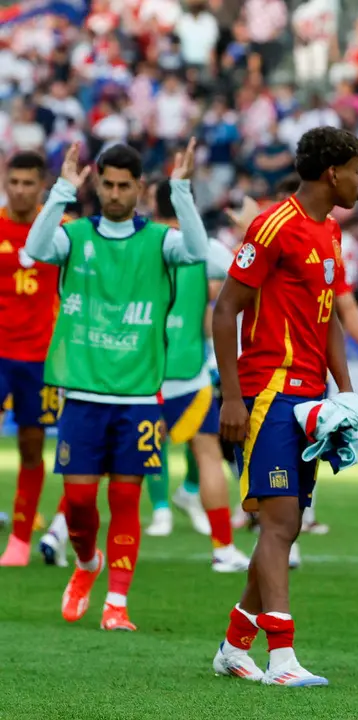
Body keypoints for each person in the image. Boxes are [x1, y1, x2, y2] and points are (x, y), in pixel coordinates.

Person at [210, 126, 358, 686]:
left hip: (308, 399)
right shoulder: (274, 224)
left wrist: (344, 393)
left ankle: (234, 645)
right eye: (356, 170)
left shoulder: (329, 232)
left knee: (289, 523)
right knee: (278, 523)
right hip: (267, 393)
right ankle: (282, 658)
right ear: (333, 172)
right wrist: (232, 396)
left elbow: (326, 322)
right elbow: (226, 308)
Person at [26, 139, 206, 631]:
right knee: (81, 502)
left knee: (125, 499)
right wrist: (62, 188)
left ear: (140, 188)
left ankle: (117, 604)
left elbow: (196, 250)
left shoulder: (159, 241)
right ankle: (87, 564)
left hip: (139, 398)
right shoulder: (76, 235)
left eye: (125, 185)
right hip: (82, 395)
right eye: (107, 183)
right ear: (97, 183)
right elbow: (35, 249)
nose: (115, 193)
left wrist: (183, 188)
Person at [148, 179, 252, 572]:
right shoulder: (204, 248)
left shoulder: (142, 240)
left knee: (110, 459)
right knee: (208, 455)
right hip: (190, 371)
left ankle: (62, 533)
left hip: (139, 372)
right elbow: (247, 274)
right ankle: (223, 549)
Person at [0, 151, 67, 568]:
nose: (20, 190)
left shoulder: (59, 231)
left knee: (31, 447)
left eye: (28, 183)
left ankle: (20, 541)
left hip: (40, 360)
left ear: (41, 186)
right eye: (14, 182)